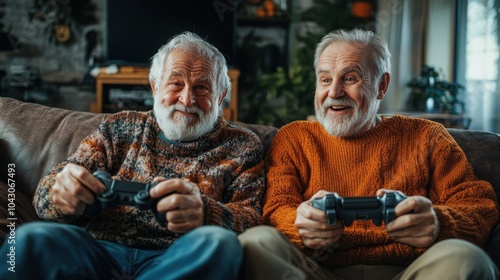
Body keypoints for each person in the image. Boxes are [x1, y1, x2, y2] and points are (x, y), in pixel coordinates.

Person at [0, 32, 265, 279]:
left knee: (220, 244)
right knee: (30, 239)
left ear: (221, 96)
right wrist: (62, 193)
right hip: (97, 250)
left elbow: (253, 222)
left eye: (202, 88)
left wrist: (205, 214)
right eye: (175, 83)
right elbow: (45, 197)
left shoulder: (242, 146)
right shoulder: (120, 128)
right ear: (155, 88)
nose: (187, 99)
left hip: (177, 258)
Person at [238, 29, 500, 280]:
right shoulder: (294, 138)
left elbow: (480, 208)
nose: (334, 92)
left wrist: (438, 223)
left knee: (467, 258)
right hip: (316, 271)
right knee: (255, 242)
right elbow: (274, 209)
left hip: (410, 272)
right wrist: (299, 223)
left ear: (381, 86)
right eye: (325, 79)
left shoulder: (428, 137)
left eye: (350, 78)